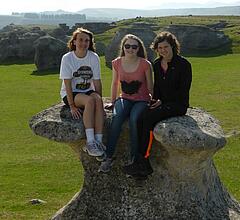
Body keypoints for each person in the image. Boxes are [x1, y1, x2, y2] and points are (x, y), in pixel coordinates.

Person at [123, 31, 192, 178]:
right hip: (162, 103)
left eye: (165, 47)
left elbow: (183, 91)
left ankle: (143, 161)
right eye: (159, 48)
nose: (163, 50)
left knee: (149, 118)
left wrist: (163, 101)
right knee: (142, 116)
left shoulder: (184, 65)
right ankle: (142, 165)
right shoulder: (156, 64)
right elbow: (158, 88)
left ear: (173, 46)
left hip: (178, 105)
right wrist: (154, 101)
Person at [98, 34, 153, 173]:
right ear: (123, 47)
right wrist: (113, 101)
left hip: (142, 100)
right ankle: (108, 157)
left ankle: (134, 159)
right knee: (117, 117)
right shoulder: (116, 62)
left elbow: (151, 86)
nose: (130, 49)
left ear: (138, 48)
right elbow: (115, 83)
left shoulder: (145, 64)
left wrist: (153, 102)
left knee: (134, 119)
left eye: (134, 46)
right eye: (127, 46)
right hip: (124, 99)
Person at [59, 27, 105, 158]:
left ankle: (98, 141)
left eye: (87, 41)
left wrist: (99, 102)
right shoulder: (67, 58)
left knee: (96, 100)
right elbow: (67, 83)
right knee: (90, 101)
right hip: (71, 93)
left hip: (87, 90)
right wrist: (72, 106)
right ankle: (90, 142)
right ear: (74, 42)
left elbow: (97, 81)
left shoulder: (93, 57)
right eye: (80, 40)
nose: (83, 43)